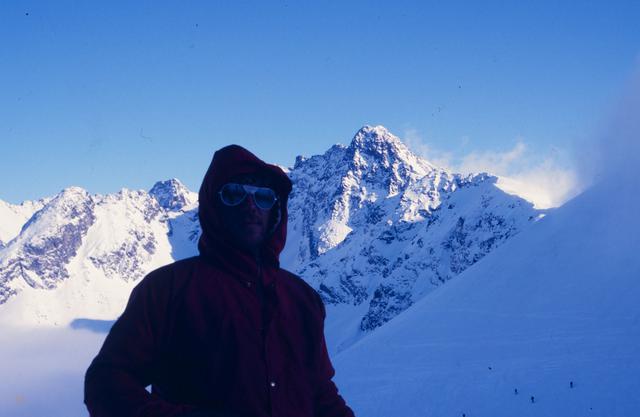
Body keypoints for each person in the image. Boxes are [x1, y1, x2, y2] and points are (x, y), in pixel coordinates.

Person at [84, 145, 355, 417]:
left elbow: (320, 392)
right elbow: (105, 384)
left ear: (276, 210)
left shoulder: (301, 298)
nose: (251, 205)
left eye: (264, 197)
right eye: (234, 194)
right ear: (214, 204)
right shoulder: (166, 291)